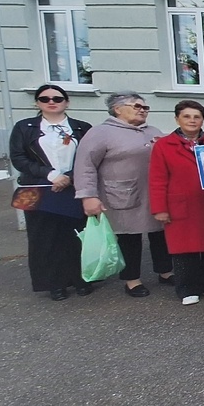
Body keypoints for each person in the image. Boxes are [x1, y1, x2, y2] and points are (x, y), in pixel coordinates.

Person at [74, 92, 173, 297]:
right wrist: (88, 195)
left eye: (145, 108)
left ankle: (165, 271)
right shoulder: (100, 133)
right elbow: (85, 166)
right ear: (117, 109)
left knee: (160, 234)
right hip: (120, 194)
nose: (142, 111)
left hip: (154, 193)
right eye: (137, 106)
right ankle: (132, 280)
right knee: (129, 237)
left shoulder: (152, 131)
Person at [9, 84, 95, 300]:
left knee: (77, 236)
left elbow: (90, 157)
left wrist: (69, 177)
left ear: (66, 102)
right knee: (44, 239)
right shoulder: (24, 127)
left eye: (57, 98)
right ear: (37, 102)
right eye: (45, 98)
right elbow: (19, 158)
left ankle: (81, 279)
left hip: (73, 188)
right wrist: (51, 175)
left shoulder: (81, 127)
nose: (51, 102)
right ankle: (54, 283)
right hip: (40, 189)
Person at [148, 100, 204, 305]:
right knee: (184, 248)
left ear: (203, 119)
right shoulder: (163, 145)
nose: (192, 121)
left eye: (197, 117)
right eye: (187, 116)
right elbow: (157, 179)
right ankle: (187, 288)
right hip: (180, 204)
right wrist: (159, 208)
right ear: (177, 119)